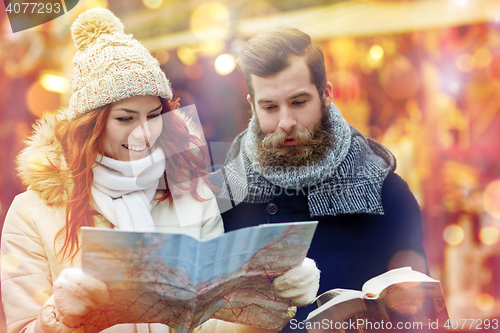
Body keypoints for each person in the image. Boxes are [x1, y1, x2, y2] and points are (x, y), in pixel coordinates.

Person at [1, 9, 319, 333]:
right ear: (90, 126)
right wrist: (62, 316)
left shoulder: (191, 194)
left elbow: (209, 321)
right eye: (125, 119)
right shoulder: (32, 213)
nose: (144, 133)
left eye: (153, 116)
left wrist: (270, 299)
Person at [216, 27, 429, 329]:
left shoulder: (386, 193)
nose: (285, 122)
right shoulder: (225, 194)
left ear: (326, 94)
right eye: (270, 107)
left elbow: (420, 314)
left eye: (299, 102)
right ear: (252, 105)